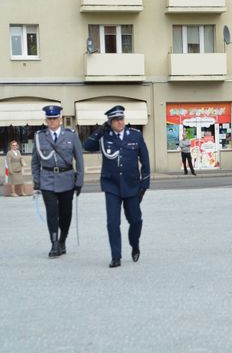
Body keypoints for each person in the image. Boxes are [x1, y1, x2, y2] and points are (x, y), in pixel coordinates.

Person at [83, 105, 150, 268]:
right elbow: (87, 146)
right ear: (110, 122)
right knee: (113, 223)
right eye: (115, 120)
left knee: (136, 221)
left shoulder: (136, 135)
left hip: (132, 185)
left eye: (121, 119)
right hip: (111, 185)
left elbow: (145, 161)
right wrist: (100, 130)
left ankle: (134, 244)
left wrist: (144, 184)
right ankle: (116, 256)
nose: (119, 122)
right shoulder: (104, 136)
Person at [31, 105, 84, 258]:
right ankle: (54, 243)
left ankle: (62, 240)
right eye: (49, 119)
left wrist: (79, 181)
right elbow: (35, 162)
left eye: (55, 118)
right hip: (47, 179)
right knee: (52, 213)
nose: (52, 121)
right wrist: (37, 181)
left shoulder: (71, 135)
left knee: (65, 214)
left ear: (60, 119)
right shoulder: (40, 136)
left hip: (67, 179)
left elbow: (79, 160)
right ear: (46, 120)